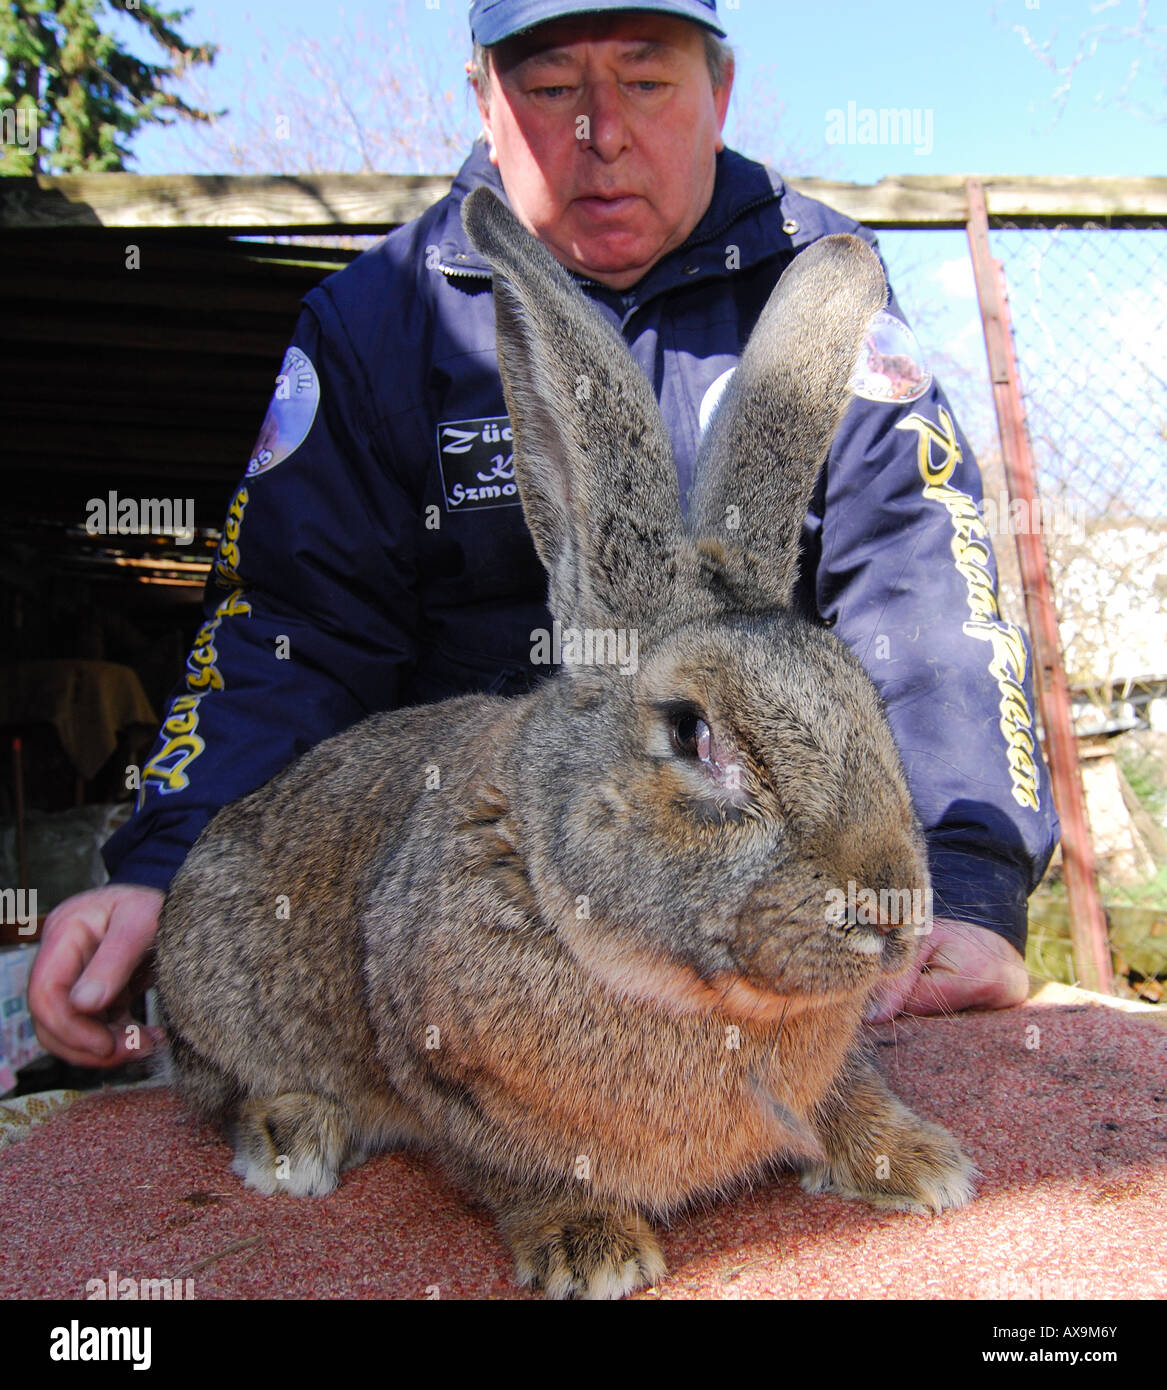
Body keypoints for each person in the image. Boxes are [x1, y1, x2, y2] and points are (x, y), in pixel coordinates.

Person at [29, 0, 1057, 1070]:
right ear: (483, 98)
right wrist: (168, 863)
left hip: (761, 893)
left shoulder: (819, 287)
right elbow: (295, 621)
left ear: (721, 92)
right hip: (473, 914)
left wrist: (970, 877)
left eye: (648, 82)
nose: (599, 134)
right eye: (551, 86)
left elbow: (921, 584)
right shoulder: (380, 320)